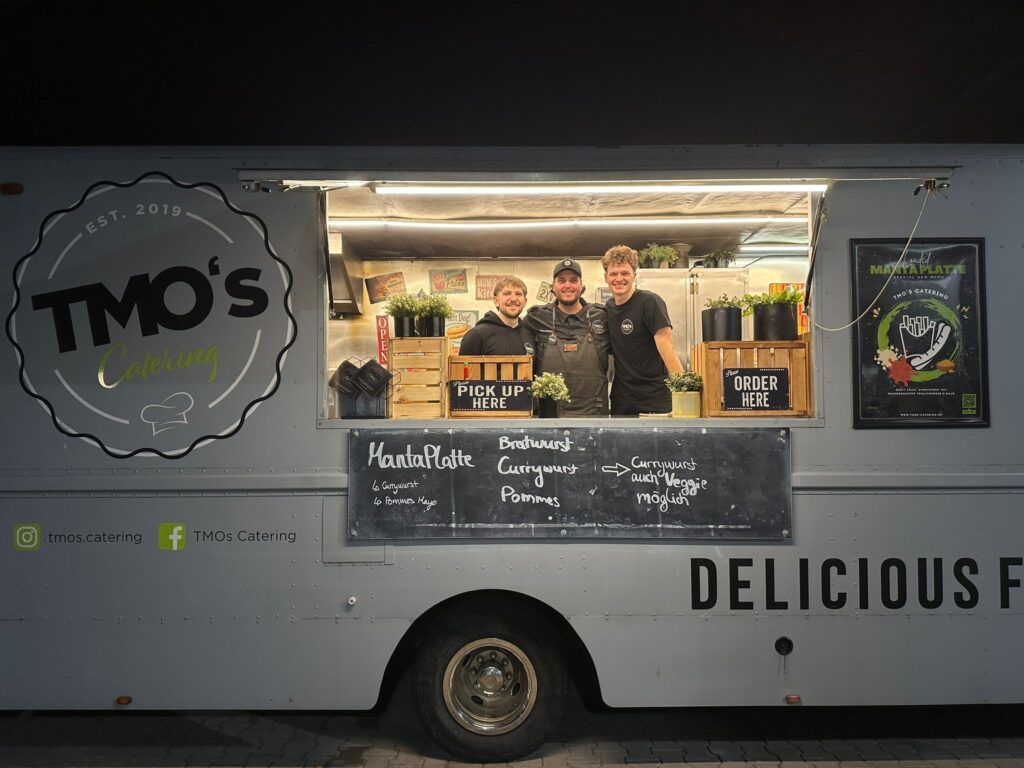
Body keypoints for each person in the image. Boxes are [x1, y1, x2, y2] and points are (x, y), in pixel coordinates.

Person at [601, 244, 683, 415]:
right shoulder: (608, 309)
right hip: (622, 400)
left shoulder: (650, 302)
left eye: (625, 273)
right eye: (614, 274)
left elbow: (668, 348)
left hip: (654, 398)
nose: (619, 279)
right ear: (606, 277)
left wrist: (684, 390)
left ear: (634, 276)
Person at [523, 259, 610, 416]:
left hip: (594, 413)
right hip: (548, 413)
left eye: (573, 280)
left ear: (581, 285)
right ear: (553, 286)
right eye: (561, 280)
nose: (567, 285)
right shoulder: (535, 318)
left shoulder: (602, 316)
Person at [458, 277, 535, 356]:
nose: (513, 299)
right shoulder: (477, 335)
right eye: (507, 294)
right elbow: (464, 364)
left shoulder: (530, 335)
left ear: (525, 302)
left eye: (518, 294)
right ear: (496, 301)